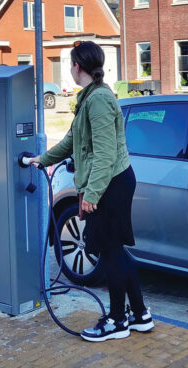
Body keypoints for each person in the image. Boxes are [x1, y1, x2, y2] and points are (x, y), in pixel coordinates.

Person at [28, 41, 153, 342]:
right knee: (115, 250)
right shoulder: (89, 98)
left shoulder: (97, 100)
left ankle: (116, 321)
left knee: (109, 251)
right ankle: (139, 314)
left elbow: (105, 155)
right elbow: (72, 141)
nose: (70, 69)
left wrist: (92, 196)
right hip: (109, 181)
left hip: (111, 183)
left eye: (71, 64)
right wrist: (41, 160)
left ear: (77, 67)